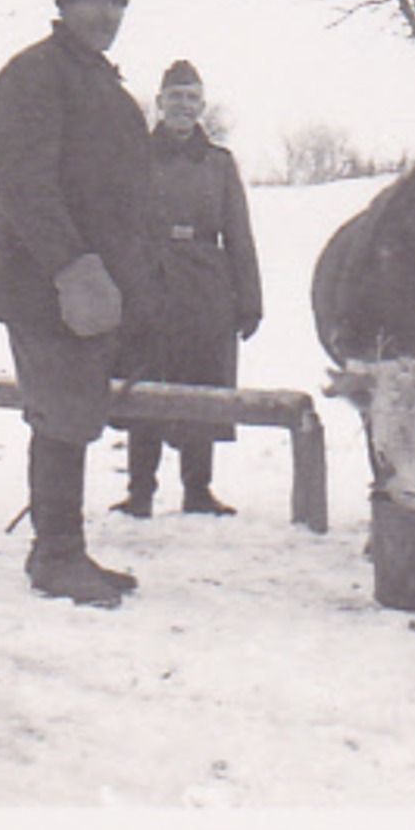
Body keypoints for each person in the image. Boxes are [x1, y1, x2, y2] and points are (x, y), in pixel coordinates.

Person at [0, 0, 158, 608]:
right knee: (61, 414)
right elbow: (23, 182)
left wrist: (137, 281)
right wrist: (71, 268)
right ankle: (55, 555)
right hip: (48, 285)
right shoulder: (33, 72)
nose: (106, 13)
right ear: (63, 0)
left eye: (116, 0)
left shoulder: (106, 88)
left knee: (76, 413)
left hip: (98, 287)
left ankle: (63, 547)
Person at [111, 59, 262, 519]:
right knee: (144, 380)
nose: (183, 106)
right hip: (147, 282)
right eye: (175, 97)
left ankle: (198, 489)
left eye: (192, 98)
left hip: (205, 286)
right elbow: (116, 224)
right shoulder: (134, 155)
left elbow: (239, 232)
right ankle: (140, 491)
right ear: (158, 103)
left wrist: (249, 300)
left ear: (202, 107)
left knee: (202, 381)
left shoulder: (219, 164)